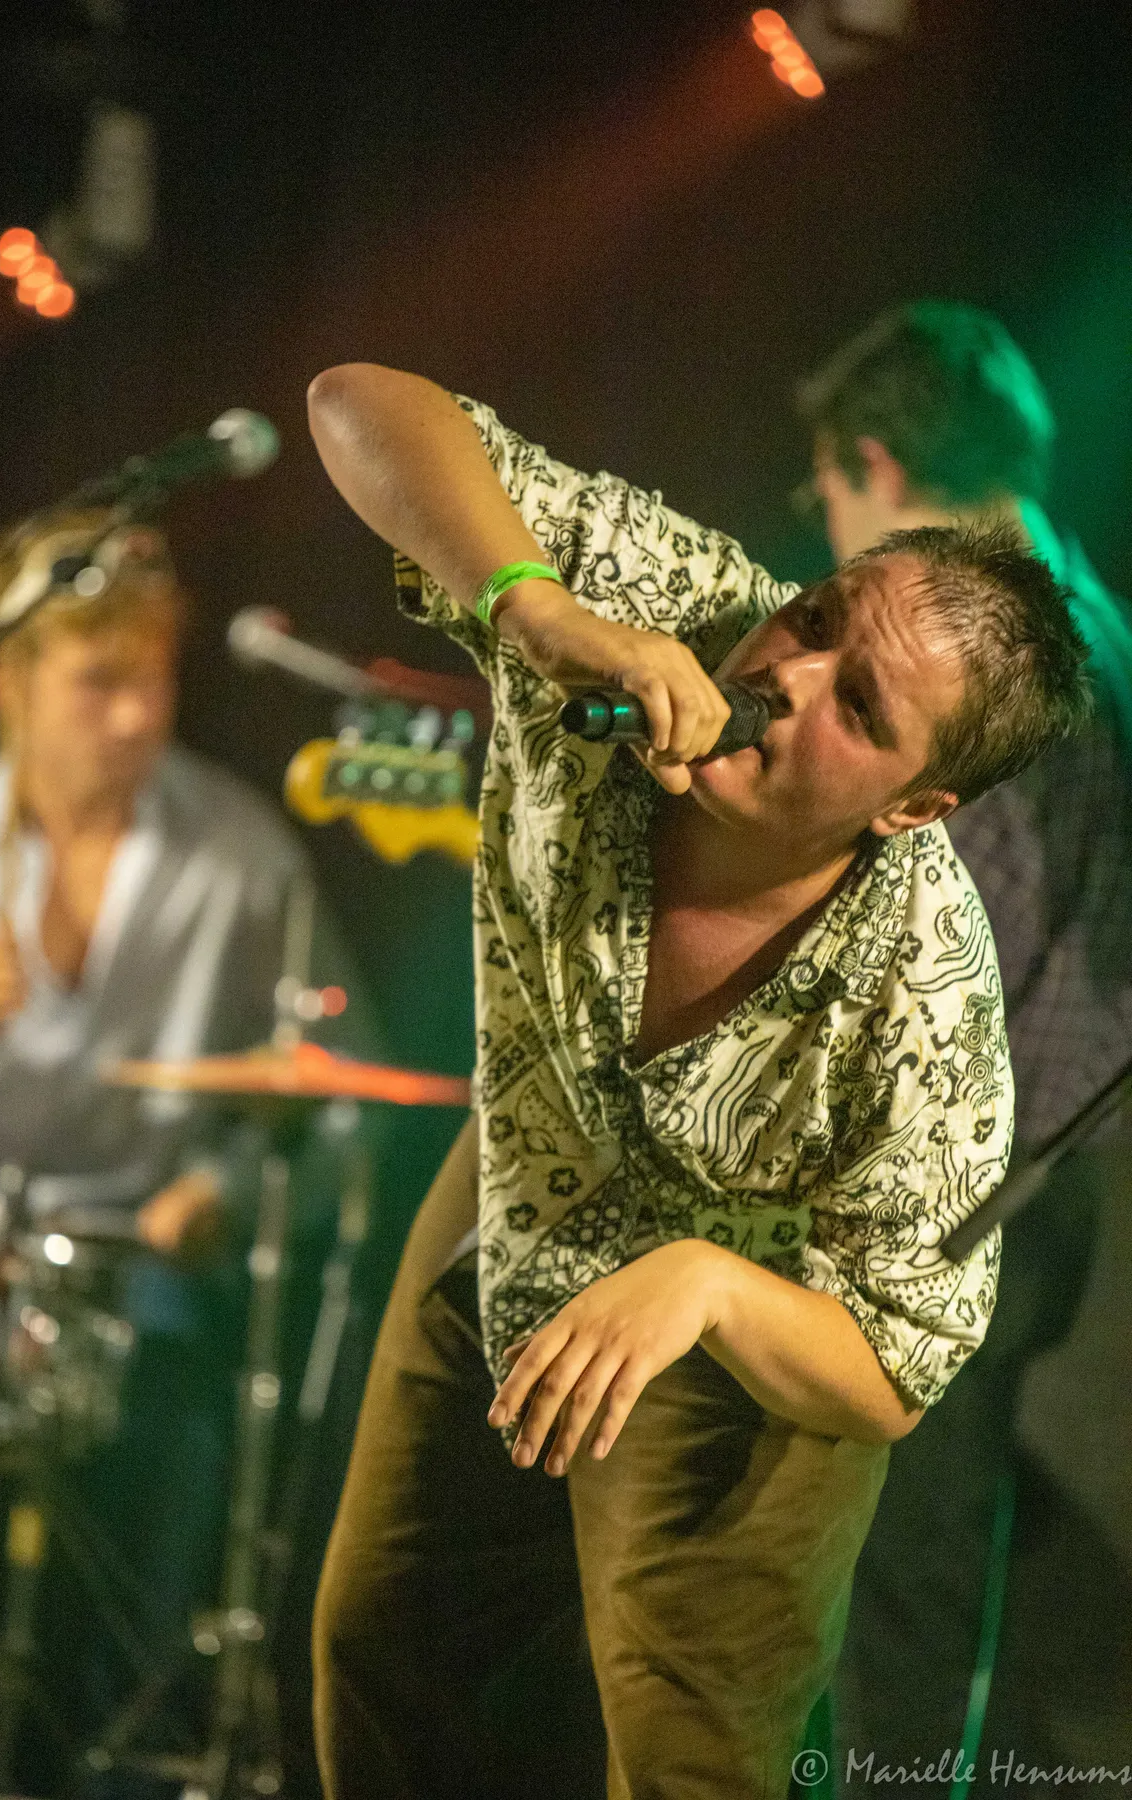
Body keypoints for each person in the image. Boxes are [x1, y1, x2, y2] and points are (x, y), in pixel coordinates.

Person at [301, 363, 1090, 1800]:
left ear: (916, 806)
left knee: (691, 1755)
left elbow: (895, 1369)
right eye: (819, 619)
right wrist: (535, 607)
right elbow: (354, 401)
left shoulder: (926, 991)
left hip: (754, 1322)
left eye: (859, 707)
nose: (786, 677)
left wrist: (708, 1284)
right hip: (528, 1172)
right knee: (387, 1659)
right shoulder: (674, 605)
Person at [0, 510, 367, 1789]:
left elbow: (346, 1100)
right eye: (97, 682)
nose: (134, 717)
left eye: (155, 677)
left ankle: (126, 1748)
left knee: (162, 1491)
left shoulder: (237, 855)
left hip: (143, 1277)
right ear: (7, 684)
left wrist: (221, 1188)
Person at [797, 302, 1132, 1780]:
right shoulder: (1094, 617)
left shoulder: (996, 649)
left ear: (875, 464)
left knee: (889, 1622)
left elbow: (949, 943)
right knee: (918, 1613)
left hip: (954, 1200)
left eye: (829, 491)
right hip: (1039, 1194)